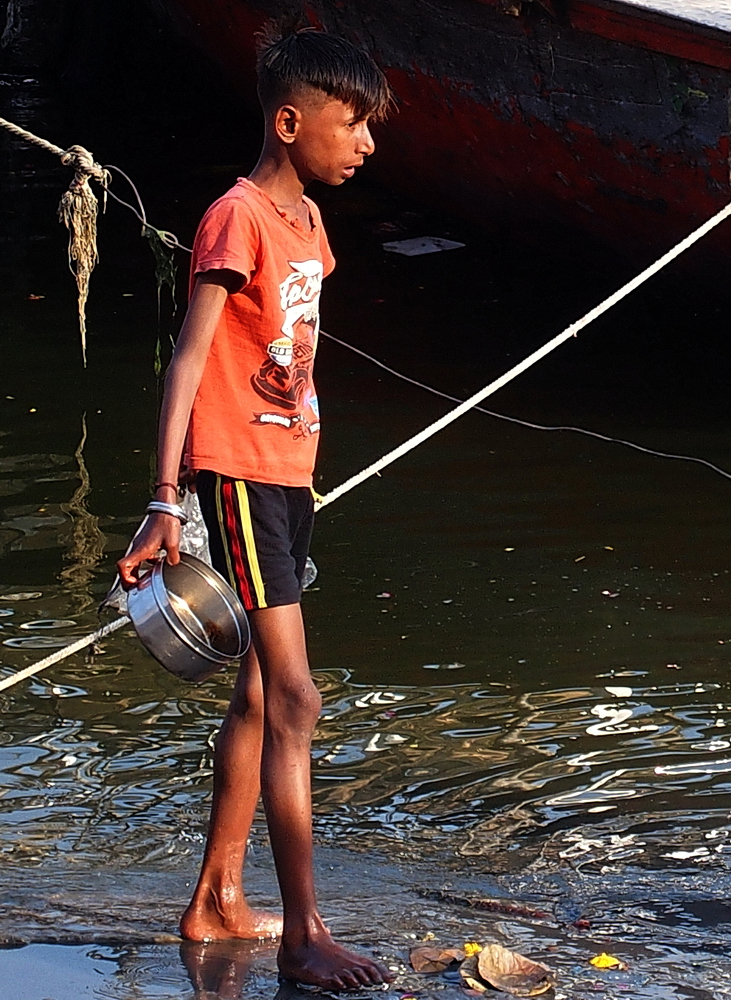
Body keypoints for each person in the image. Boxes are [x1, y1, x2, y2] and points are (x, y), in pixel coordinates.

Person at [116, 28, 394, 991]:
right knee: (299, 699)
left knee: (259, 695)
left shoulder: (310, 225)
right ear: (290, 121)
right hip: (232, 475)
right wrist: (164, 500)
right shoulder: (235, 217)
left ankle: (217, 901)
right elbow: (189, 361)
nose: (365, 143)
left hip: (288, 473)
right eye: (351, 123)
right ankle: (304, 935)